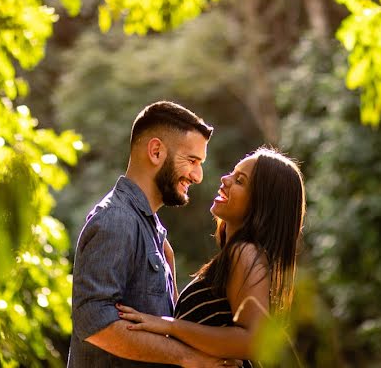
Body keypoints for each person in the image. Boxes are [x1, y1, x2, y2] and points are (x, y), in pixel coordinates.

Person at [68, 100, 242, 368]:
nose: (197, 176)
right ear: (156, 151)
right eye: (192, 160)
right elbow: (94, 322)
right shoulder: (116, 219)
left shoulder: (150, 229)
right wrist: (188, 357)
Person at [115, 147, 306, 368]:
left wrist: (169, 325)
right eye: (232, 173)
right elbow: (204, 326)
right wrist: (169, 268)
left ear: (262, 203)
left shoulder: (244, 253)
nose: (225, 179)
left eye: (240, 181)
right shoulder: (235, 257)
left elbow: (255, 341)